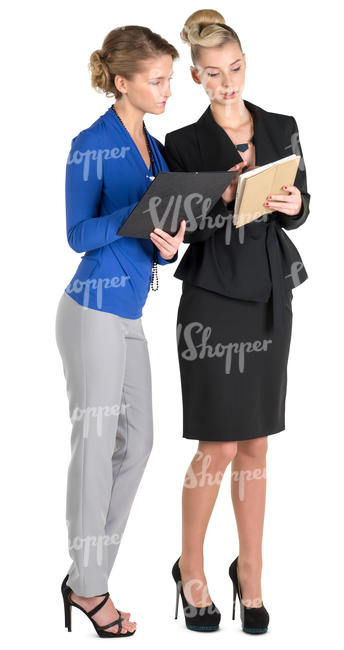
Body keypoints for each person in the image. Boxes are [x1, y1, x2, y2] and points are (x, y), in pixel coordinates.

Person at [164, 9, 310, 634]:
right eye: (215, 74)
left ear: (247, 64)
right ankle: (190, 567)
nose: (228, 84)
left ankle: (250, 571)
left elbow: (304, 208)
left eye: (237, 69)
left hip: (272, 297)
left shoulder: (283, 126)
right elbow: (173, 228)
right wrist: (214, 197)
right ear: (196, 76)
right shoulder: (184, 143)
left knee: (256, 443)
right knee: (218, 444)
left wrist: (294, 202)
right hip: (214, 300)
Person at [56, 25, 185, 638]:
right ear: (122, 81)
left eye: (168, 79)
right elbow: (79, 234)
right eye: (156, 80)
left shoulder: (154, 150)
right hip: (91, 311)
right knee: (95, 450)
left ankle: (89, 575)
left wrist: (168, 244)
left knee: (139, 444)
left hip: (129, 312)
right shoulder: (91, 144)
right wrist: (134, 219)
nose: (167, 90)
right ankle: (89, 585)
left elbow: (154, 242)